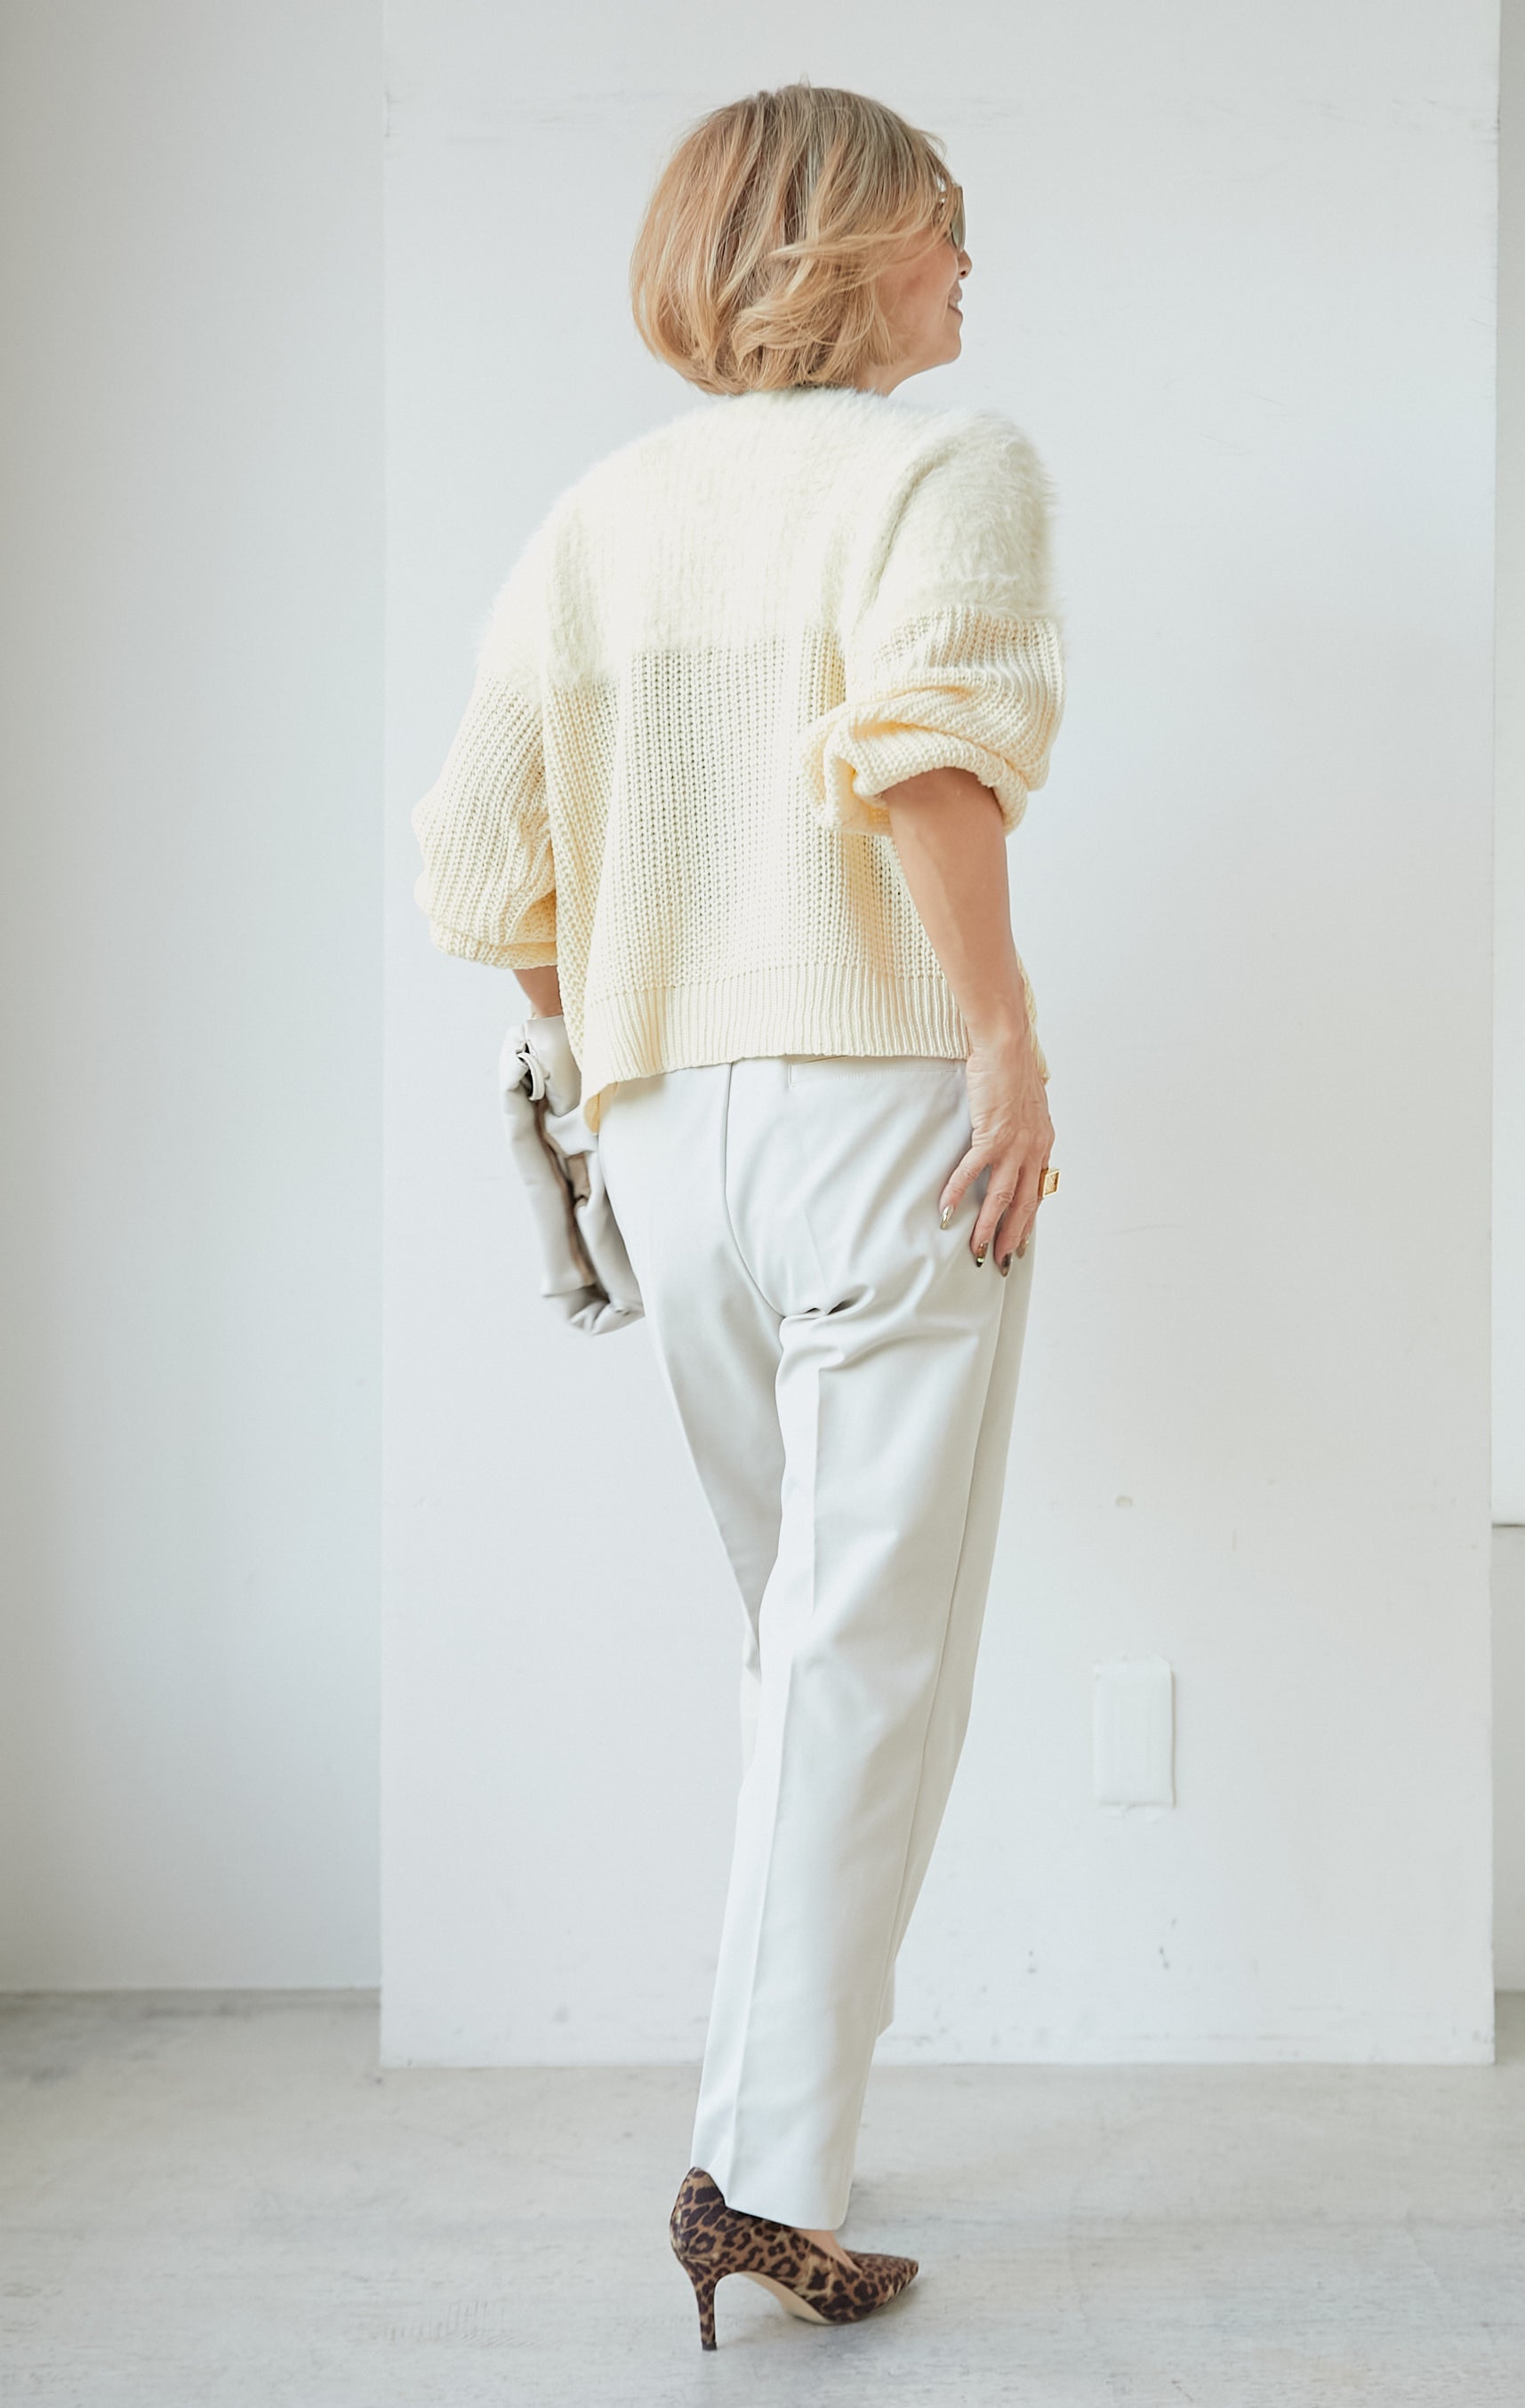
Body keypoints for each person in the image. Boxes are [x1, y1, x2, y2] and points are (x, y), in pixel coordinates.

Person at [412, 79, 1065, 2352]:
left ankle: (801, 2132)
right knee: (864, 1651)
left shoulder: (597, 518)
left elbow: (481, 861)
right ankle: (762, 2186)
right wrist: (1003, 1038)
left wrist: (599, 1050)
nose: (973, 268)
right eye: (949, 228)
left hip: (670, 1127)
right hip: (887, 1101)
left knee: (808, 1646)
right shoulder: (943, 470)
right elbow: (927, 752)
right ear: (855, 247)